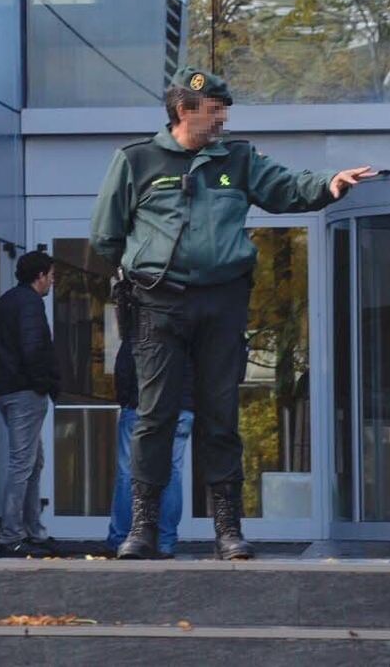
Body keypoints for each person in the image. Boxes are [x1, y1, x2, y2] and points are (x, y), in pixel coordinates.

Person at [90, 66, 374, 560]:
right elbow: (106, 236)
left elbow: (285, 186)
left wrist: (329, 183)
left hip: (221, 302)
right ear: (184, 110)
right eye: (214, 110)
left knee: (221, 416)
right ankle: (142, 528)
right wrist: (144, 268)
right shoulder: (136, 160)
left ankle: (228, 530)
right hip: (158, 303)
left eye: (224, 110)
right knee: (155, 416)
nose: (222, 118)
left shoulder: (237, 159)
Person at [0, 250, 59, 557]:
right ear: (40, 276)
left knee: (33, 460)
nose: (53, 281)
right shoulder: (30, 304)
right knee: (23, 463)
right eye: (51, 275)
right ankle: (12, 534)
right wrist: (44, 383)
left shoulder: (8, 301)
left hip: (6, 390)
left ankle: (32, 530)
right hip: (24, 391)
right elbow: (33, 347)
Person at [105, 337, 192, 559]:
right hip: (180, 406)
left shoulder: (143, 321)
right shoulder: (190, 324)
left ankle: (122, 539)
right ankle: (165, 541)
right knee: (172, 472)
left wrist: (127, 401)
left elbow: (124, 366)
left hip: (140, 404)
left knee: (128, 471)